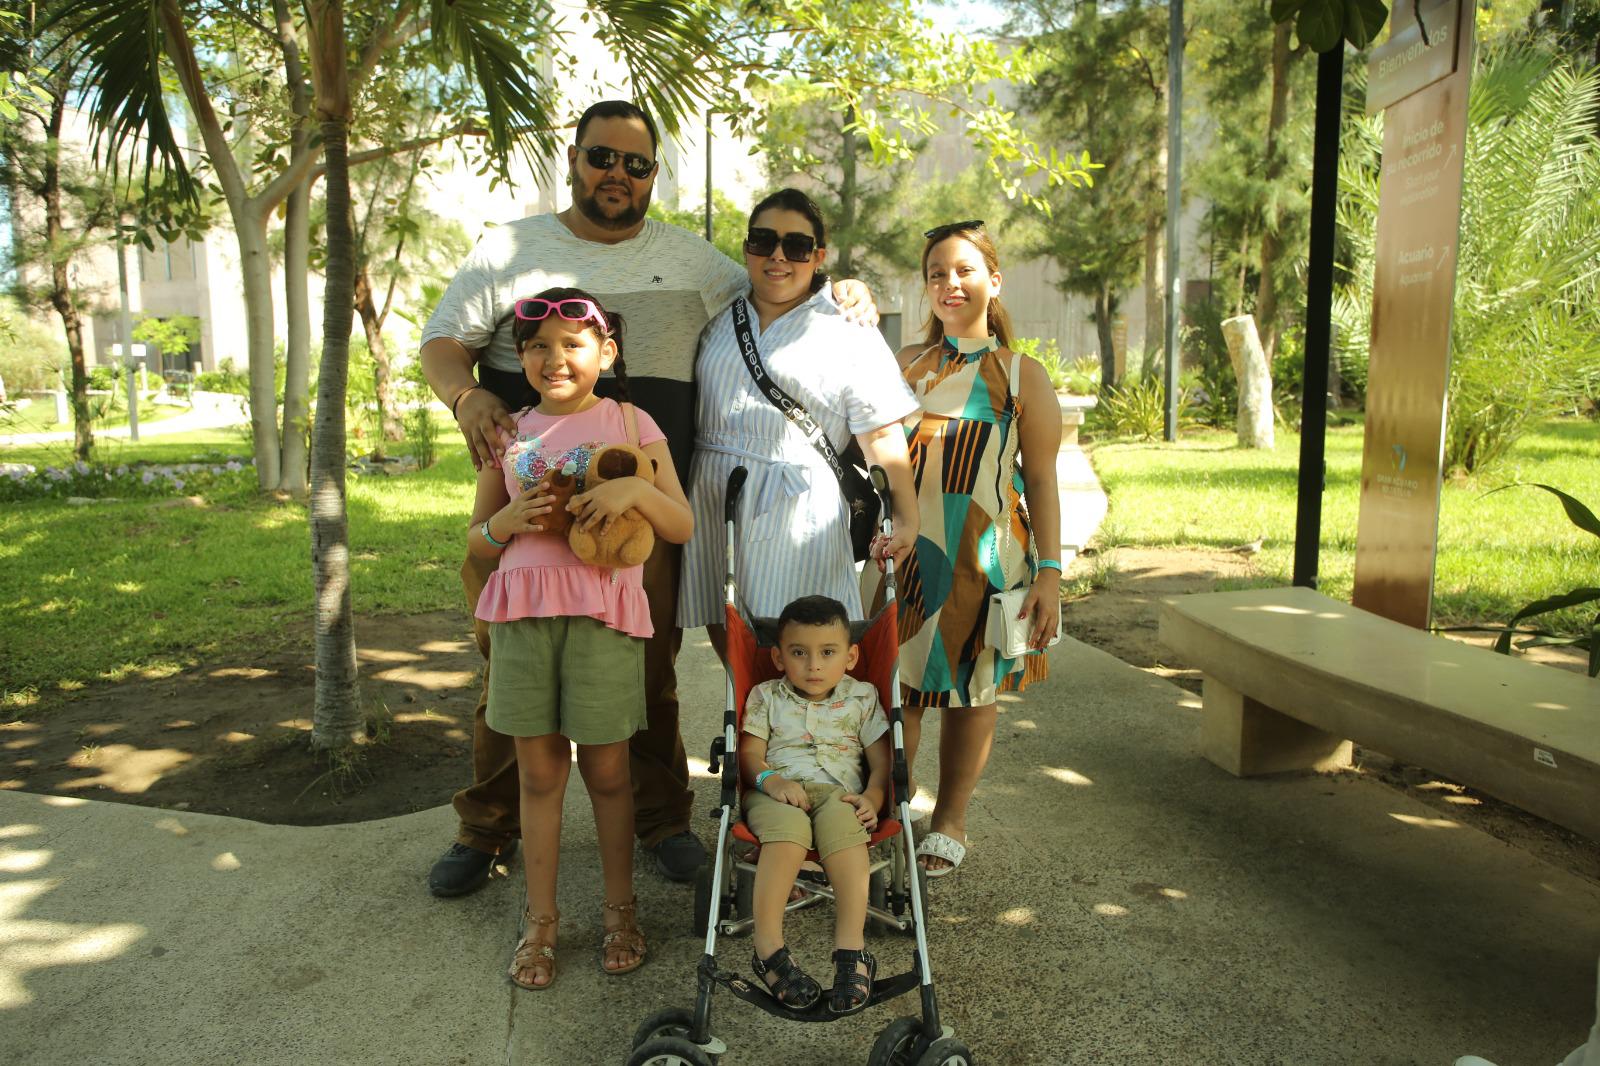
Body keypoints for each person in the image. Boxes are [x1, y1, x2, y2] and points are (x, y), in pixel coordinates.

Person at [421, 101, 879, 894]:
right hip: (525, 507)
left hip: (644, 512)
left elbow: (783, 279)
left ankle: (662, 817)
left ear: (652, 176)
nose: (617, 175)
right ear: (575, 159)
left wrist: (848, 290)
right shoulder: (510, 248)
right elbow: (442, 341)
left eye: (636, 165)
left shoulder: (694, 260)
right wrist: (466, 400)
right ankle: (486, 828)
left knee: (646, 668)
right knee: (509, 674)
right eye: (603, 157)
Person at [469, 286, 693, 989]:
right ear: (520, 356)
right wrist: (502, 527)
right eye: (537, 345)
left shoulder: (630, 421)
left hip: (602, 620)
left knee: (607, 773)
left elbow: (679, 524)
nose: (553, 358)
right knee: (538, 776)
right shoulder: (509, 433)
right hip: (522, 618)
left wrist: (634, 493)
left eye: (572, 344)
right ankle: (540, 923)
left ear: (606, 351)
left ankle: (619, 912)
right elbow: (477, 539)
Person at [862, 220, 1062, 879]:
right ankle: (889, 807)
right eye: (937, 272)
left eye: (965, 270)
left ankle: (950, 820)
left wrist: (1052, 577)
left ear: (993, 281)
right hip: (905, 553)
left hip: (986, 557)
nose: (951, 282)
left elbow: (1039, 480)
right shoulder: (902, 367)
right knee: (898, 693)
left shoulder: (1019, 374)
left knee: (971, 694)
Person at [676, 187, 918, 655]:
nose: (778, 256)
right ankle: (745, 732)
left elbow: (882, 431)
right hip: (713, 501)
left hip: (799, 511)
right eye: (763, 241)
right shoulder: (718, 312)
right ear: (747, 247)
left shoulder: (847, 325)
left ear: (818, 255)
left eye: (797, 245)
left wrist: (906, 515)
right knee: (737, 664)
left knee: (801, 658)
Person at [739, 595, 890, 1015]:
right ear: (778, 657)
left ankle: (851, 951)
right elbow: (750, 757)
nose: (813, 666)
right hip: (777, 789)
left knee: (847, 836)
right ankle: (768, 948)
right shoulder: (765, 696)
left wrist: (874, 797)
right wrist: (773, 780)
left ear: (852, 655)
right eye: (799, 653)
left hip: (841, 792)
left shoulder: (863, 697)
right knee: (787, 835)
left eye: (828, 653)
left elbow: (882, 763)